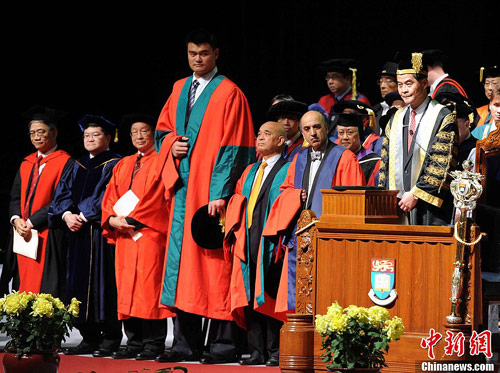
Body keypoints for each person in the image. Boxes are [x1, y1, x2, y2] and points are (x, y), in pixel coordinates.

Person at [151, 29, 256, 364]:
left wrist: (220, 193)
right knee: (183, 268)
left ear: (216, 54)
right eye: (193, 53)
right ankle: (184, 343)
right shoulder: (179, 88)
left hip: (211, 195)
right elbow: (162, 131)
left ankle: (223, 344)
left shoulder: (229, 93)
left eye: (204, 53)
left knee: (215, 265)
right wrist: (172, 146)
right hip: (183, 191)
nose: (198, 59)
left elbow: (235, 146)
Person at [264, 110, 365, 314]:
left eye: (317, 127)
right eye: (307, 129)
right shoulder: (299, 159)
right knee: (297, 296)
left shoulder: (345, 158)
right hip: (301, 239)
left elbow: (355, 201)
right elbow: (285, 192)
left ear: (327, 129)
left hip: (331, 240)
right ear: (302, 133)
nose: (313, 133)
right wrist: (294, 197)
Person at [101, 113, 175, 361]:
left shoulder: (162, 161)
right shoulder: (123, 163)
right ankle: (133, 342)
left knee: (149, 288)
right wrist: (111, 219)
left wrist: (134, 219)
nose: (139, 136)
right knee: (126, 289)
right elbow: (110, 195)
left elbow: (161, 196)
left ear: (153, 133)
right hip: (124, 236)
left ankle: (154, 343)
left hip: (149, 234)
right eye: (134, 132)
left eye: (143, 131)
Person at [48, 114, 123, 357]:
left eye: (96, 134)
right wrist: (66, 215)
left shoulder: (115, 163)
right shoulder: (76, 164)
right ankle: (88, 336)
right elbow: (62, 194)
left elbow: (109, 194)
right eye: (86, 135)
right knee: (77, 282)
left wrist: (82, 213)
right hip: (77, 235)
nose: (90, 139)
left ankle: (110, 338)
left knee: (106, 283)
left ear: (109, 138)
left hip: (101, 234)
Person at [225, 121, 290, 367]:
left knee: (270, 293)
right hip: (248, 237)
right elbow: (238, 199)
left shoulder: (288, 168)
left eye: (267, 134)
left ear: (281, 141)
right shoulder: (250, 170)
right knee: (250, 292)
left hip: (272, 241)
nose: (260, 138)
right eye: (259, 134)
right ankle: (256, 351)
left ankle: (275, 350)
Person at [378, 52, 458, 226]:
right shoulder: (396, 118)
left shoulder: (443, 116)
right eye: (400, 85)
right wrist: (386, 197)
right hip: (397, 206)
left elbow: (441, 163)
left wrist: (415, 194)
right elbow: (385, 164)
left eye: (409, 84)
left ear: (423, 83)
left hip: (429, 210)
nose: (404, 90)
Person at [0, 106, 73, 297]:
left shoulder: (66, 162)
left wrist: (31, 222)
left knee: (45, 290)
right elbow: (15, 196)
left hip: (48, 233)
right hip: (22, 232)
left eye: (41, 132)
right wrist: (16, 219)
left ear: (54, 132)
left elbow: (61, 199)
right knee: (20, 286)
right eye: (32, 133)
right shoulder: (27, 162)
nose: (36, 137)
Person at [435, 92, 478, 170]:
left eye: (453, 126)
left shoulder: (476, 150)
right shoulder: (437, 148)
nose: (448, 131)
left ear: (467, 124)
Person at [336, 113, 381, 186]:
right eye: (341, 133)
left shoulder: (373, 162)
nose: (345, 137)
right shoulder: (333, 160)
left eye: (350, 132)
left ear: (360, 134)